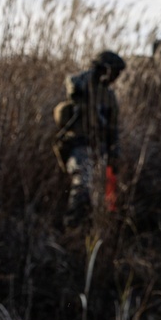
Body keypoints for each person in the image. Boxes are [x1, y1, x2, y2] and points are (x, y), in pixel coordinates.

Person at [53, 49, 126, 229]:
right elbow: (73, 85)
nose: (116, 78)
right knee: (82, 186)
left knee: (98, 194)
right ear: (105, 69)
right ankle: (70, 227)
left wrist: (114, 153)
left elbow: (112, 128)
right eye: (114, 72)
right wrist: (94, 74)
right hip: (79, 145)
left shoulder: (109, 97)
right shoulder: (82, 85)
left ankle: (86, 231)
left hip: (98, 149)